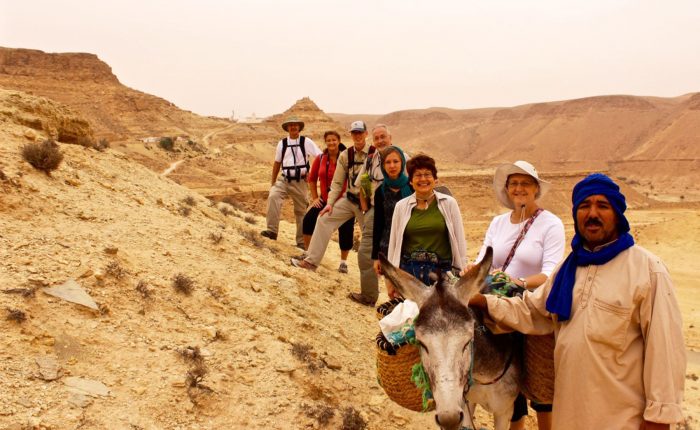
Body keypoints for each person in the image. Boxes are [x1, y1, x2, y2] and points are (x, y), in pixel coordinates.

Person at [469, 173, 686, 430]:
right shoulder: (570, 269)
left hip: (621, 420)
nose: (592, 213)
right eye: (584, 206)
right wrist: (483, 301)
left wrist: (658, 419)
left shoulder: (648, 271)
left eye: (602, 206)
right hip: (569, 416)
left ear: (617, 213)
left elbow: (665, 352)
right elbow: (532, 311)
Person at [472, 160, 565, 430]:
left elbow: (550, 275)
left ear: (536, 188)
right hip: (497, 307)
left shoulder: (551, 224)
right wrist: (473, 271)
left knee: (541, 388)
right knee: (505, 378)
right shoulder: (498, 223)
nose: (519, 188)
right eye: (514, 183)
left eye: (525, 183)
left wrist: (518, 282)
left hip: (533, 309)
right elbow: (483, 261)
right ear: (507, 189)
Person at [291, 122, 391, 307]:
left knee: (371, 244)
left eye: (360, 133)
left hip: (367, 204)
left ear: (366, 134)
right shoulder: (347, 155)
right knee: (324, 219)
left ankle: (380, 290)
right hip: (350, 199)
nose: (358, 136)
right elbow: (337, 183)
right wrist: (329, 204)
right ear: (351, 135)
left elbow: (370, 182)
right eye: (354, 133)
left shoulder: (374, 153)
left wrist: (367, 203)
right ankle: (311, 262)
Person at [386, 154, 467, 285]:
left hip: (443, 275)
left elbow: (460, 241)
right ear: (411, 181)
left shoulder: (449, 203)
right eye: (417, 175)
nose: (423, 179)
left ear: (435, 179)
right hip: (409, 275)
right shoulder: (401, 206)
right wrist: (390, 280)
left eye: (428, 174)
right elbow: (394, 244)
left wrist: (463, 274)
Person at [261, 116, 321, 248]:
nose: (293, 127)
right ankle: (272, 231)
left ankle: (301, 242)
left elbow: (320, 157)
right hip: (284, 179)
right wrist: (273, 183)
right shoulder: (282, 143)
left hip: (300, 181)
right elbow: (277, 163)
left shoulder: (306, 142)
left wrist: (312, 174)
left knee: (301, 211)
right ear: (287, 128)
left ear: (299, 127)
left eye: (295, 125)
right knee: (273, 196)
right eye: (291, 125)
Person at [301, 131, 355, 273]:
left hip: (344, 200)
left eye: (334, 140)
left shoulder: (347, 158)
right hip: (325, 199)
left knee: (346, 230)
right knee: (308, 221)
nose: (331, 143)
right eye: (328, 140)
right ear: (325, 142)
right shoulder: (320, 158)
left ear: (339, 141)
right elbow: (312, 179)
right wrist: (315, 198)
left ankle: (343, 262)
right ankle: (308, 253)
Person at [371, 146, 413, 298]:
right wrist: (376, 257)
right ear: (383, 166)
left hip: (410, 248)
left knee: (409, 294)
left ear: (402, 163)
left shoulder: (413, 187)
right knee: (393, 294)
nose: (392, 166)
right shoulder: (380, 192)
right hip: (388, 247)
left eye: (396, 161)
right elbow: (378, 225)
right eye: (388, 162)